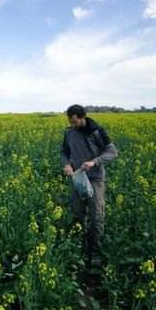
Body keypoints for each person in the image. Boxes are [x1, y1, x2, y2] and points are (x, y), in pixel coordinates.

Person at [60, 104, 118, 255]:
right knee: (78, 213)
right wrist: (67, 164)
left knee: (96, 215)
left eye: (75, 122)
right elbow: (64, 152)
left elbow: (112, 152)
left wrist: (94, 162)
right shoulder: (70, 133)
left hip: (95, 178)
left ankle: (96, 250)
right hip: (78, 177)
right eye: (70, 122)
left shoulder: (97, 131)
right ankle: (80, 246)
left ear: (83, 117)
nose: (73, 125)